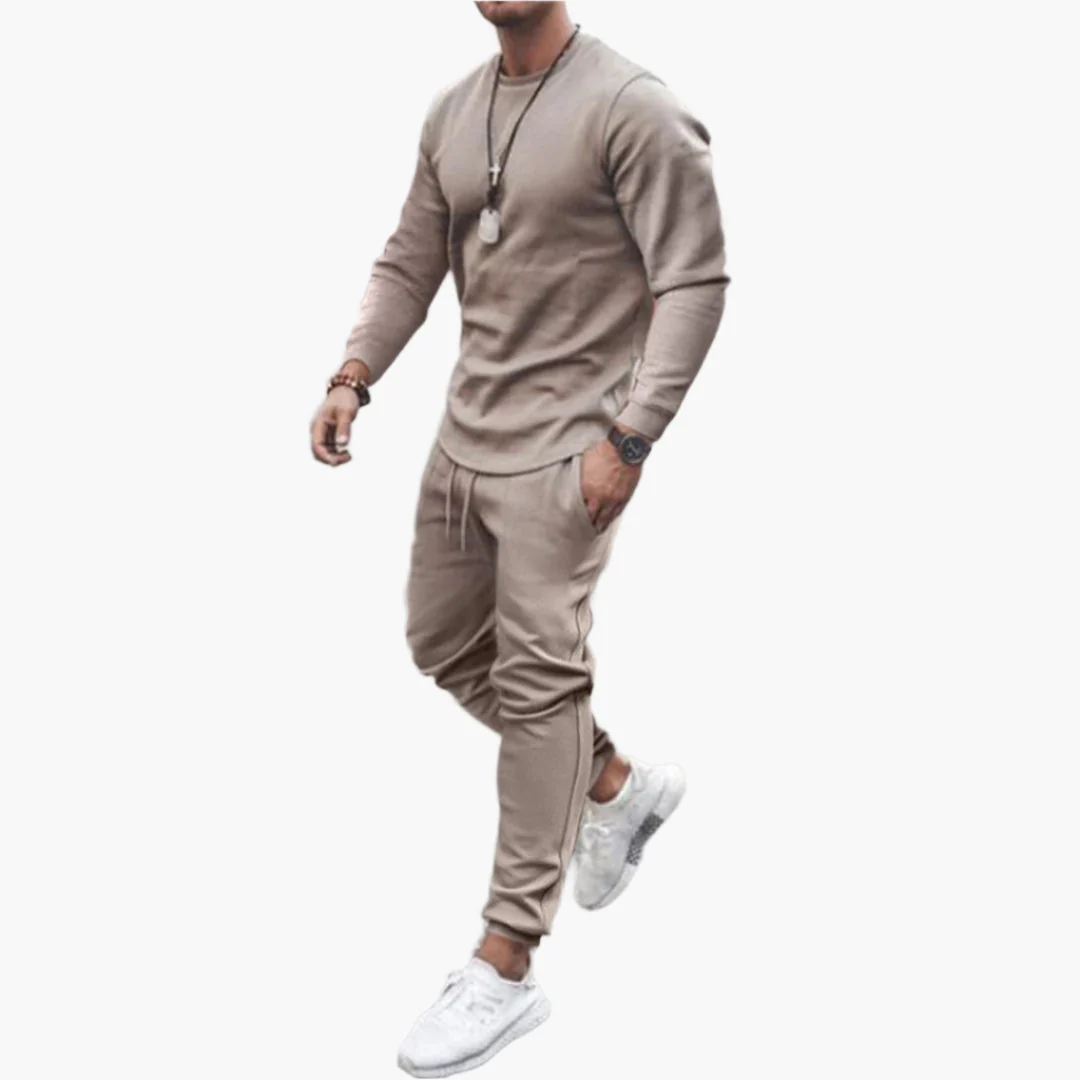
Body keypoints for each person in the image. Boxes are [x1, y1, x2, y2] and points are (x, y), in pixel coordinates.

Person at [310, 3, 729, 1074]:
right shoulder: (454, 110)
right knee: (443, 644)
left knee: (541, 685)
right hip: (462, 444)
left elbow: (693, 278)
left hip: (566, 458)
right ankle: (612, 784)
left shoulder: (633, 107)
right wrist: (354, 373)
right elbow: (410, 259)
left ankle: (505, 963)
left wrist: (631, 438)